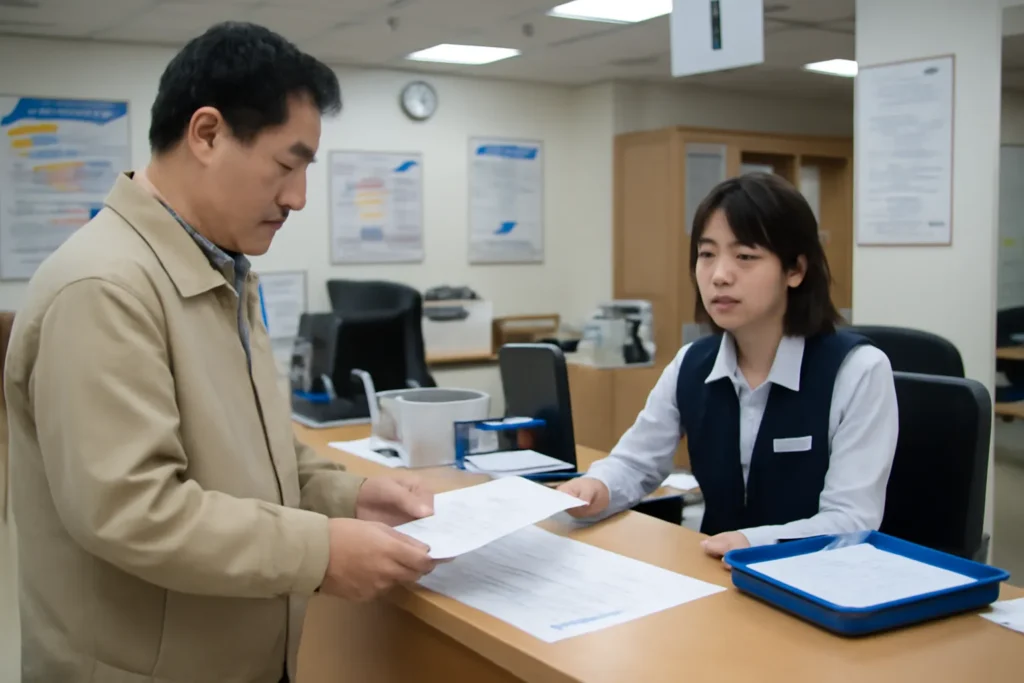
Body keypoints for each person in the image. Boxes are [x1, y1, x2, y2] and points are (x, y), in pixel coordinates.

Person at [5, 22, 438, 683]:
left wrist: (351, 496)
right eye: (286, 165)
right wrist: (319, 551)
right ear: (206, 134)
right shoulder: (105, 286)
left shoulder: (221, 273)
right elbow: (133, 509)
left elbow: (257, 456)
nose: (296, 197)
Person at [559, 173, 898, 561]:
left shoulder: (858, 371)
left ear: (795, 270)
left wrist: (754, 543)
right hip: (715, 580)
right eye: (707, 255)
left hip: (815, 585)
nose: (719, 275)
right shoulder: (692, 363)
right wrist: (596, 487)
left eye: (745, 257)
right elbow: (636, 462)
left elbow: (852, 520)